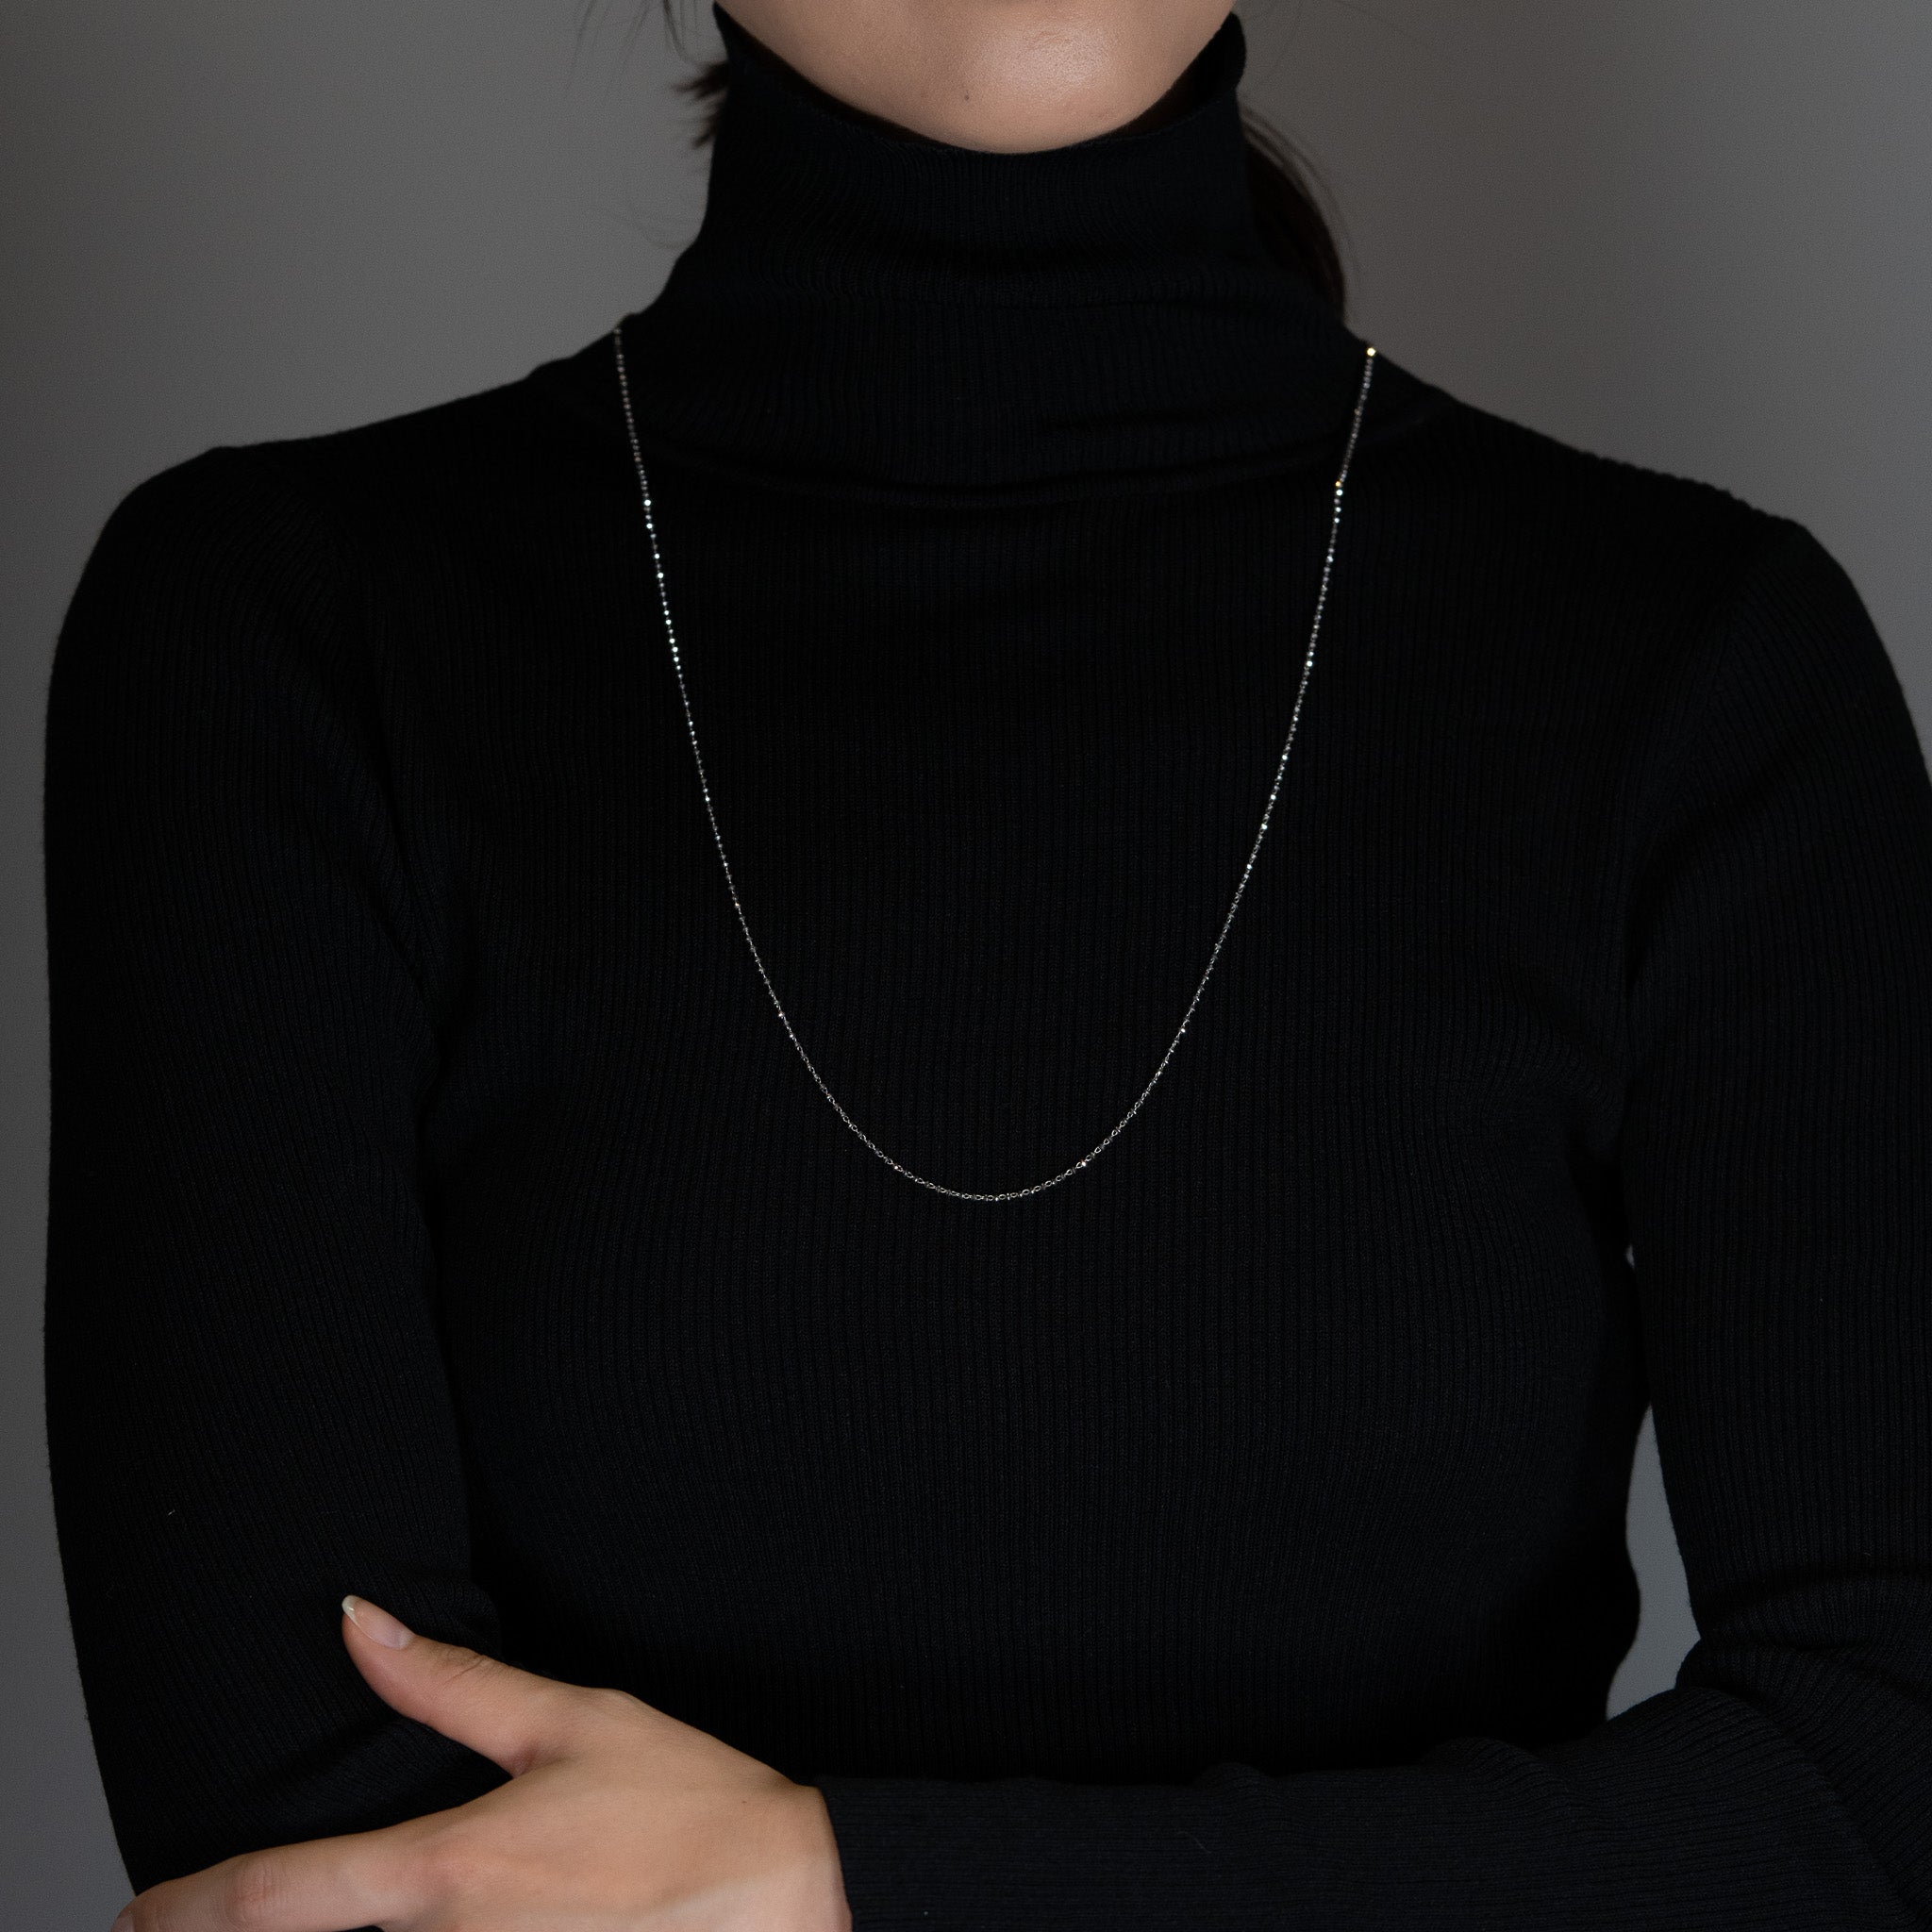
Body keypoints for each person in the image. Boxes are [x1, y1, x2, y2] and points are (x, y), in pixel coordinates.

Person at [42, 2, 1932, 1927]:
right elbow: (332, 1873)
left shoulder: (1702, 670)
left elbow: (1883, 1781)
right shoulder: (280, 641)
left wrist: (834, 1882)